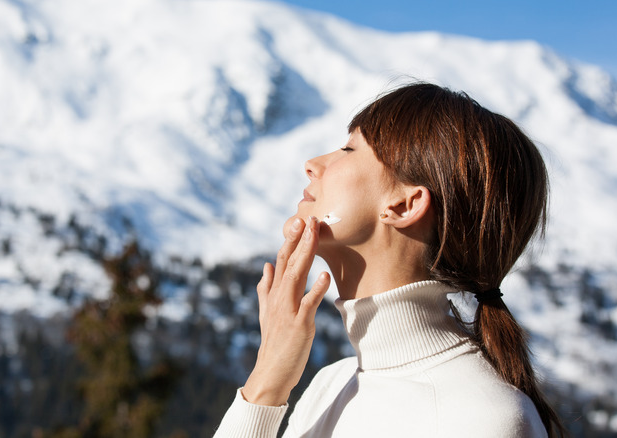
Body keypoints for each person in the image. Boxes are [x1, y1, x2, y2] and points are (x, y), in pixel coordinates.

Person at [213, 83, 567, 437]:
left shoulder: (481, 420)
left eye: (349, 149)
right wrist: (266, 382)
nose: (312, 165)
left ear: (403, 204)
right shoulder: (330, 384)